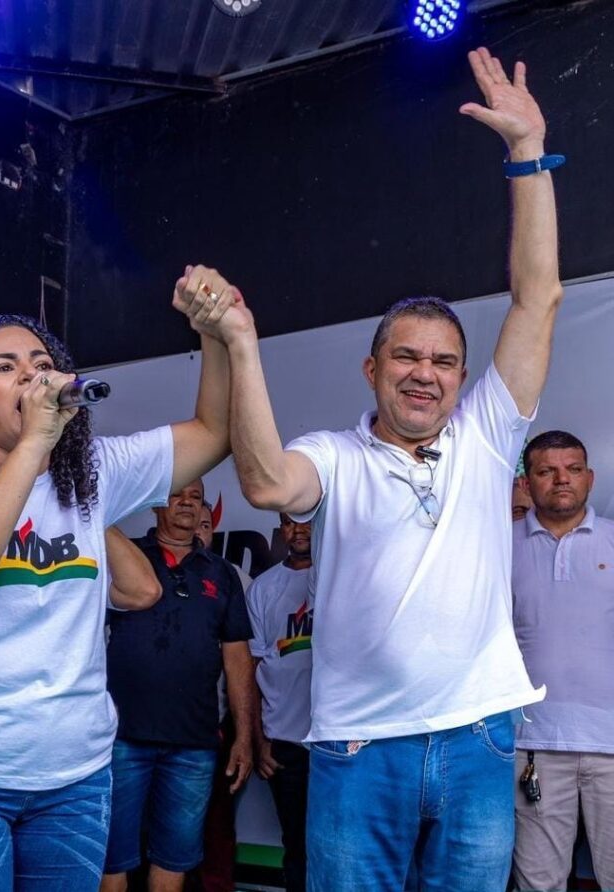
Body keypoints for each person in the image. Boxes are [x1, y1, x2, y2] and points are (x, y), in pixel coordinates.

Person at [176, 47, 562, 891]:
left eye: (446, 361)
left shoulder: (490, 431)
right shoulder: (338, 455)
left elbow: (537, 298)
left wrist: (528, 158)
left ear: (464, 377)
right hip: (357, 744)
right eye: (406, 357)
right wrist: (240, 344)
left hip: (477, 738)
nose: (426, 373)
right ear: (372, 368)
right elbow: (271, 485)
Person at [0, 266, 236, 892]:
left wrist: (215, 336)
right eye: (5, 366)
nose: (30, 374)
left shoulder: (89, 469)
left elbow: (213, 434)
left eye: (41, 361)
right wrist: (34, 446)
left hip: (72, 777)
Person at [102, 478, 254, 892]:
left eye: (196, 497)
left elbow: (238, 658)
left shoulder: (222, 574)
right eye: (177, 495)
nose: (187, 504)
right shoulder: (127, 557)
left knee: (174, 859)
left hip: (194, 744)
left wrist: (243, 736)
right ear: (155, 505)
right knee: (110, 858)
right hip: (121, 737)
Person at [511, 431, 614, 891]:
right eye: (546, 471)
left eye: (573, 469)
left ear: (590, 478)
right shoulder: (496, 546)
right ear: (527, 482)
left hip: (611, 745)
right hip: (531, 744)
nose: (561, 480)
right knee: (538, 884)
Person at [247, 514, 313, 892]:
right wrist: (258, 740)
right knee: (297, 847)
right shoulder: (263, 588)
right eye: (289, 523)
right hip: (285, 744)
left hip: (337, 742)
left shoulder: (343, 578)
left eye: (306, 522)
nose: (298, 530)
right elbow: (249, 670)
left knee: (343, 846)